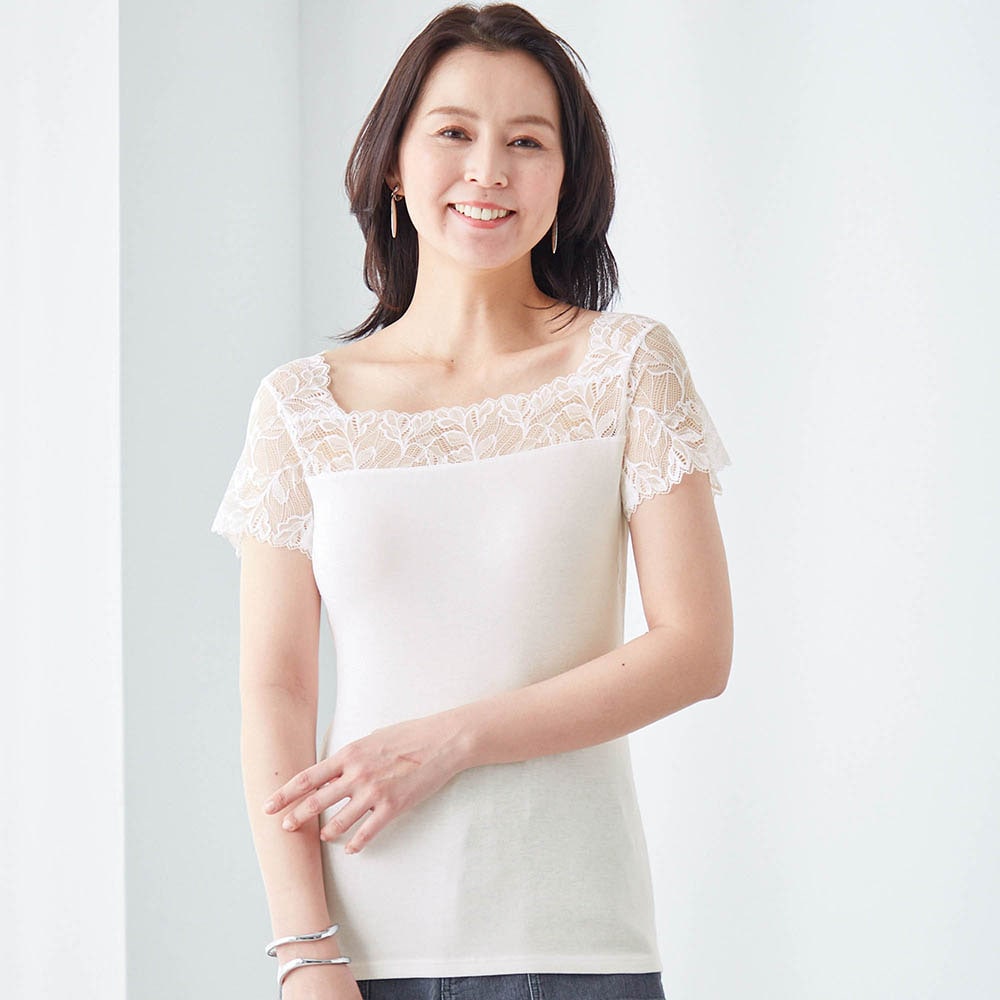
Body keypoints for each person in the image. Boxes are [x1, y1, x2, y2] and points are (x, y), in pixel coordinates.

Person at [211, 4, 733, 999]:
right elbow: (275, 690)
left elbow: (695, 649)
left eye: (527, 142)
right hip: (362, 952)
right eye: (454, 131)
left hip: (578, 945)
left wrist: (451, 741)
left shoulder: (628, 366)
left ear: (567, 178)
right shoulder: (301, 406)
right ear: (395, 165)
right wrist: (303, 950)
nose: (488, 169)